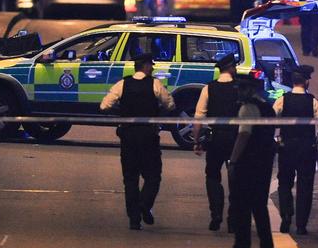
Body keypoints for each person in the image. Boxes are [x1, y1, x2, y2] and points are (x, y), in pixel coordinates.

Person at [100, 53, 175, 230]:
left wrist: (122, 113)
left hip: (128, 137)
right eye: (151, 65)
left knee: (130, 179)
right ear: (145, 66)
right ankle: (144, 204)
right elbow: (170, 105)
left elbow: (104, 106)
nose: (153, 68)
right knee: (153, 176)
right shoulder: (155, 84)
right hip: (149, 137)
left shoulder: (122, 84)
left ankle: (134, 218)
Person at [222, 77, 277, 248]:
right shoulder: (268, 108)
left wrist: (233, 161)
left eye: (241, 89)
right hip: (264, 162)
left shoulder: (247, 108)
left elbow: (244, 135)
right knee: (259, 207)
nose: (238, 92)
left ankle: (242, 247)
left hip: (248, 163)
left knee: (241, 206)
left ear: (249, 90)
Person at [273, 65, 318, 235]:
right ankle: (301, 224)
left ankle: (286, 215)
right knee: (305, 185)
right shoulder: (313, 101)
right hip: (306, 148)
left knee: (284, 182)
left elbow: (271, 119)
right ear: (306, 81)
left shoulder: (283, 99)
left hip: (287, 147)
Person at [192, 54, 240, 232]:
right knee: (236, 179)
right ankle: (233, 219)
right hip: (236, 138)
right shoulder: (240, 88)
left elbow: (198, 118)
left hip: (216, 138)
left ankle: (216, 213)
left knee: (212, 176)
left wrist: (197, 141)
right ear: (231, 68)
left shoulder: (209, 88)